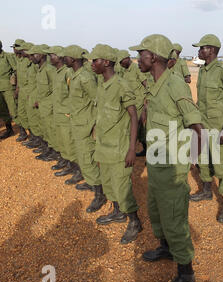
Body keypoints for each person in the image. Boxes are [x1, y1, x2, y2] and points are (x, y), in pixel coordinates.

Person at [130, 34, 203, 282]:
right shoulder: (154, 83)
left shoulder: (174, 85)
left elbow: (198, 127)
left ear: (155, 57)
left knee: (174, 221)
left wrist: (190, 161)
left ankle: (186, 275)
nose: (139, 58)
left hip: (172, 167)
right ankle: (166, 249)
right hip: (157, 163)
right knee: (156, 211)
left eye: (142, 54)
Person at [86, 44, 142, 243]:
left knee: (122, 188)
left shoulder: (121, 85)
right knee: (109, 185)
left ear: (107, 62)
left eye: (95, 60)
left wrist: (131, 149)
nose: (92, 64)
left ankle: (134, 221)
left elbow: (134, 116)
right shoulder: (102, 85)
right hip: (104, 147)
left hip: (119, 149)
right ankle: (118, 212)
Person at [190, 34, 223, 224]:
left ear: (211, 49)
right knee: (203, 160)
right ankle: (206, 191)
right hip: (202, 124)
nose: (198, 51)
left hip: (218, 126)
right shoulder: (203, 70)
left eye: (201, 48)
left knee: (220, 165)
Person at [63, 45, 107, 213]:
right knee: (83, 157)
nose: (63, 58)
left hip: (86, 126)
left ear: (73, 59)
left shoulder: (85, 78)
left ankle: (100, 194)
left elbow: (97, 101)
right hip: (78, 124)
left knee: (88, 159)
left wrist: (95, 125)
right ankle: (91, 182)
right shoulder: (75, 76)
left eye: (66, 56)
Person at [25, 44, 59, 161]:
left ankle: (57, 154)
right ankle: (49, 149)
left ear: (40, 55)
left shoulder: (49, 69)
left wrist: (49, 104)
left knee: (52, 130)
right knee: (45, 129)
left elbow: (57, 89)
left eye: (33, 55)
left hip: (49, 107)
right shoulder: (40, 69)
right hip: (43, 106)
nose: (31, 57)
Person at [0, 40, 18, 139]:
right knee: (2, 110)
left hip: (8, 87)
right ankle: (9, 129)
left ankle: (23, 130)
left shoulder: (8, 56)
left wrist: (17, 87)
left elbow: (16, 70)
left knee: (13, 109)